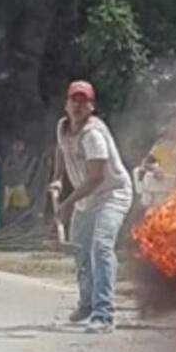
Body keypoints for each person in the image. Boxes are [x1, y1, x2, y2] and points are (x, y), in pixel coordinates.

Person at [51, 80, 134, 333]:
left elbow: (96, 177)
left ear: (91, 107)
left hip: (112, 194)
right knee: (80, 249)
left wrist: (67, 203)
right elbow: (61, 150)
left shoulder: (93, 135)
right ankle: (87, 303)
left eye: (83, 102)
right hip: (86, 197)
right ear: (66, 104)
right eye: (73, 100)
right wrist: (57, 178)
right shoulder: (63, 127)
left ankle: (103, 314)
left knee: (101, 247)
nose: (77, 106)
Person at [134, 114, 176, 208]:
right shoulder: (163, 145)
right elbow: (145, 163)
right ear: (169, 128)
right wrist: (155, 168)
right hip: (164, 191)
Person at [2, 139, 34, 219]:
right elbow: (4, 169)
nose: (17, 148)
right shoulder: (9, 157)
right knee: (8, 206)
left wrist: (13, 165)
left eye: (19, 146)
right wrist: (12, 167)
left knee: (21, 205)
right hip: (9, 183)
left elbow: (20, 167)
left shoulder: (25, 157)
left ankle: (21, 219)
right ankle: (8, 219)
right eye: (16, 146)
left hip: (19, 183)